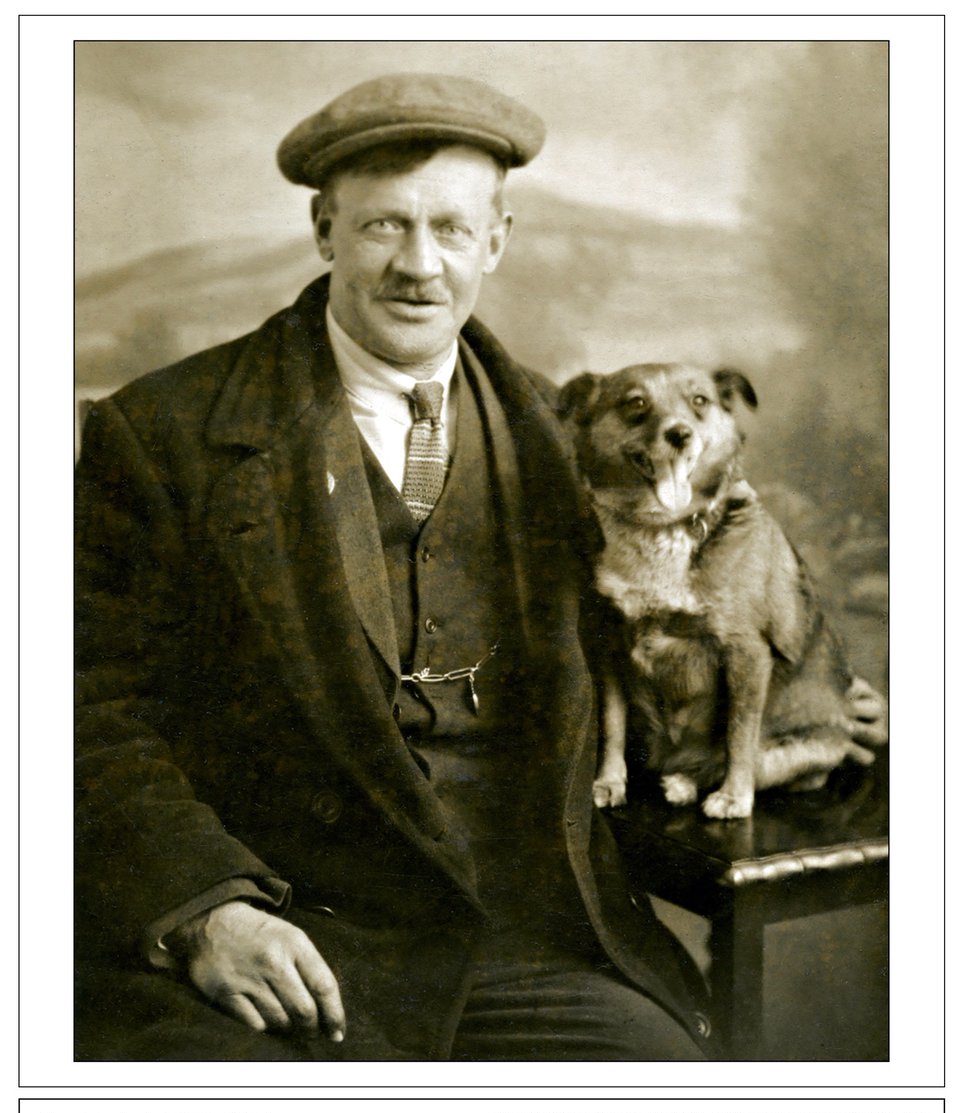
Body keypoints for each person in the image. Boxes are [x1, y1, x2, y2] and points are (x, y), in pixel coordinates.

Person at [75, 74, 885, 1062]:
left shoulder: (571, 435)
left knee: (673, 1103)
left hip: (519, 945)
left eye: (453, 231)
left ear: (496, 242)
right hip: (284, 936)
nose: (420, 267)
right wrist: (203, 910)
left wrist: (816, 691)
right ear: (325, 229)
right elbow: (85, 712)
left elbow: (671, 607)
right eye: (384, 227)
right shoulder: (164, 435)